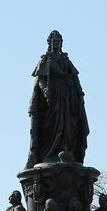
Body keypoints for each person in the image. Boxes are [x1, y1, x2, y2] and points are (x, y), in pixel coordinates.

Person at [27, 30, 89, 167]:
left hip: (68, 96)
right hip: (52, 97)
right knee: (51, 124)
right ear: (50, 43)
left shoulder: (65, 60)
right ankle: (49, 153)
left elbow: (74, 78)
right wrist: (46, 90)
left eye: (59, 42)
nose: (56, 44)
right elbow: (41, 80)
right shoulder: (45, 60)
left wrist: (80, 95)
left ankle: (66, 149)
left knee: (69, 124)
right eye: (54, 41)